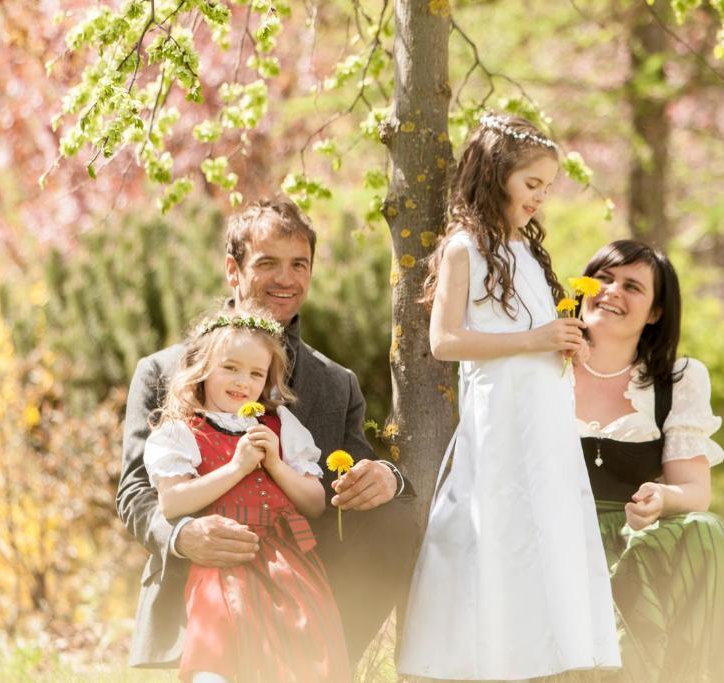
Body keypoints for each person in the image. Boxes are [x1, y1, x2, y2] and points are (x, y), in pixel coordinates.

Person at [118, 195, 420, 670]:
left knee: (399, 522)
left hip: (299, 572)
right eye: (268, 263)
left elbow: (348, 482)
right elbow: (135, 492)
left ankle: (326, 665)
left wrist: (386, 477)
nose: (286, 278)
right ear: (232, 270)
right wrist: (183, 534)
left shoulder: (335, 384)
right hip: (206, 579)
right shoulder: (163, 371)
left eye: (299, 264)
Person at [397, 114, 620, 680]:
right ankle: (483, 656)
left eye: (547, 188)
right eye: (532, 185)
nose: (540, 199)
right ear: (496, 176)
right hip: (500, 413)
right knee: (495, 525)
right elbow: (444, 341)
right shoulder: (464, 248)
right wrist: (533, 339)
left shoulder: (525, 251)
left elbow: (535, 335)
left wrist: (561, 344)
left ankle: (549, 652)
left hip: (545, 411)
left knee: (545, 524)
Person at [573, 239, 724, 682]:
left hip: (629, 535)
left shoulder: (676, 380)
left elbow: (695, 492)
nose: (612, 291)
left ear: (656, 312)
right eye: (603, 278)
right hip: (552, 531)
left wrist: (661, 496)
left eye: (632, 286)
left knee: (706, 531)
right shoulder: (541, 366)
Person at [144, 306, 349, 682]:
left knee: (301, 641)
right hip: (222, 556)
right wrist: (235, 468)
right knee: (221, 632)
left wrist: (276, 465)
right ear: (203, 367)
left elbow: (315, 504)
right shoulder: (184, 431)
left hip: (283, 558)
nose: (243, 382)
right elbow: (172, 501)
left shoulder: (279, 424)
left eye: (256, 373)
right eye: (231, 368)